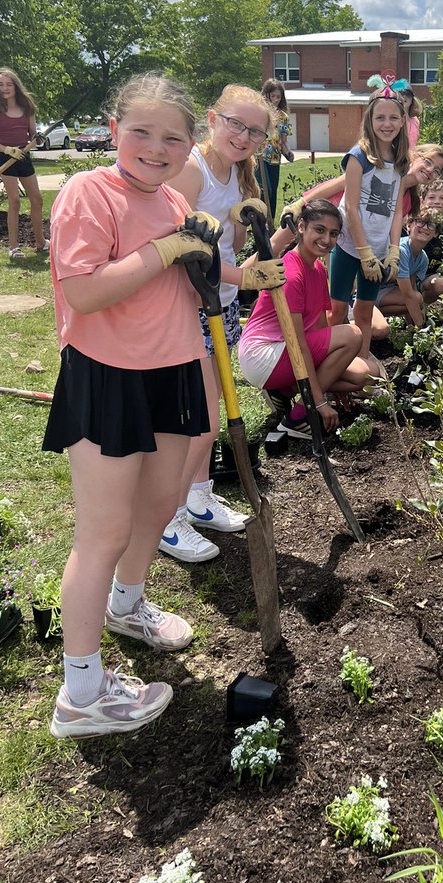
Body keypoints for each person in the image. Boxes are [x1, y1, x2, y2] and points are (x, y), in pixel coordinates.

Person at [42, 72, 230, 739]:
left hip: (174, 373)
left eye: (172, 137)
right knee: (105, 532)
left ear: (189, 145)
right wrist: (162, 250)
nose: (156, 146)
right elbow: (87, 292)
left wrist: (217, 260)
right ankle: (82, 694)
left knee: (158, 507)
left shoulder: (173, 205)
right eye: (142, 132)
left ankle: (128, 605)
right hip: (109, 376)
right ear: (114, 128)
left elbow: (186, 279)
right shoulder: (89, 193)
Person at [160, 85, 285, 564]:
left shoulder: (235, 171)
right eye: (236, 123)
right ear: (212, 119)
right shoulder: (192, 169)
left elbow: (227, 243)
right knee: (200, 419)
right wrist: (244, 275)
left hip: (223, 305)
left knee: (211, 412)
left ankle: (198, 496)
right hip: (191, 306)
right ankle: (168, 519)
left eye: (255, 130)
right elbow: (180, 253)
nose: (244, 135)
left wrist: (242, 217)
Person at [238, 200, 375, 437]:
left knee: (363, 374)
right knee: (353, 334)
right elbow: (298, 343)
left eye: (333, 234)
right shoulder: (291, 272)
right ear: (301, 227)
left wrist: (333, 372)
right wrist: (320, 401)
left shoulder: (318, 268)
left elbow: (320, 326)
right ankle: (298, 418)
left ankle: (283, 391)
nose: (326, 239)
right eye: (319, 230)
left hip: (284, 352)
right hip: (264, 355)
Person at [327, 86, 411, 358]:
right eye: (380, 118)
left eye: (393, 118)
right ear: (369, 120)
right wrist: (363, 253)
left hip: (378, 250)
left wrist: (394, 249)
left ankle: (361, 361)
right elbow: (350, 207)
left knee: (364, 309)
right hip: (352, 246)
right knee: (338, 309)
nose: (387, 124)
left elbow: (396, 210)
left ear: (402, 120)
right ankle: (331, 359)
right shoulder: (358, 157)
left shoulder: (400, 162)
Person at [277, 141, 443, 251]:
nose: (429, 171)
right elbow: (338, 183)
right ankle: (250, 289)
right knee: (274, 246)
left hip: (340, 235)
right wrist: (301, 203)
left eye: (436, 171)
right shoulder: (385, 170)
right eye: (427, 161)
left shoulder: (408, 202)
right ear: (415, 155)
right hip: (320, 208)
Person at [0, 67, 49, 259]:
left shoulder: (27, 107)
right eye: (1, 85)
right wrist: (7, 149)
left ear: (15, 86)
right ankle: (13, 247)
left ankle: (40, 242)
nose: (5, 88)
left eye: (8, 84)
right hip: (6, 157)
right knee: (14, 201)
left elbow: (32, 135)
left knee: (37, 200)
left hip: (23, 156)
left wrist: (38, 140)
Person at [372, 212, 441, 339]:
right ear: (408, 226)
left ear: (436, 233)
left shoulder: (422, 258)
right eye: (420, 222)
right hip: (371, 292)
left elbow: (412, 289)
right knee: (416, 299)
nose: (425, 227)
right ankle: (371, 316)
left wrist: (413, 328)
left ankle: (407, 328)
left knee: (417, 299)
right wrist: (421, 328)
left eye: (430, 225)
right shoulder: (401, 250)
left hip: (388, 293)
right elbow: (408, 295)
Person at [256, 79, 293, 222]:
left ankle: (270, 225)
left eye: (279, 97)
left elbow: (283, 141)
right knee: (265, 191)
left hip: (275, 159)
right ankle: (260, 222)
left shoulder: (283, 116)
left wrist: (288, 153)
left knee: (272, 195)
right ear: (266, 95)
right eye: (273, 96)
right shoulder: (260, 113)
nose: (276, 100)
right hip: (260, 157)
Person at [416, 178, 443, 304]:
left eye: (442, 198)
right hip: (412, 278)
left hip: (436, 274)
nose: (437, 202)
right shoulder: (415, 225)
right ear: (422, 201)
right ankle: (420, 312)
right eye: (432, 197)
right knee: (440, 283)